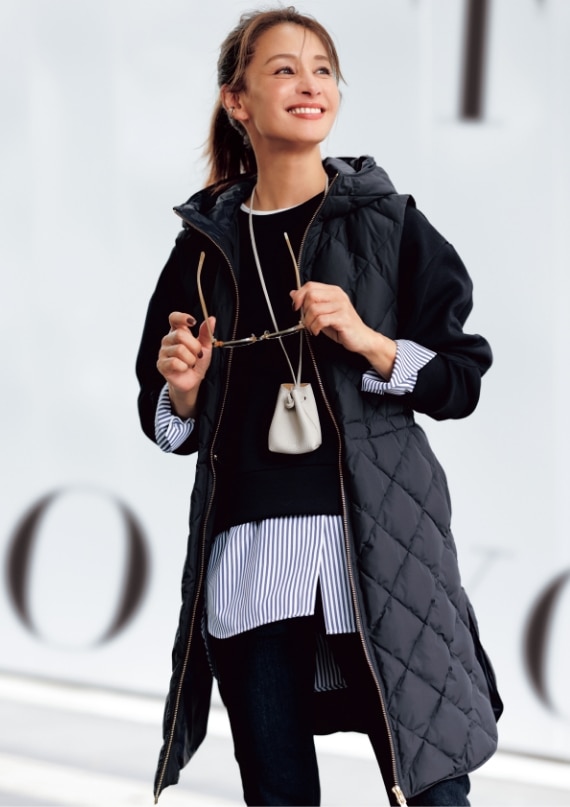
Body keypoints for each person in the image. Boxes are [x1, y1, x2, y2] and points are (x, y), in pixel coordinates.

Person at [136, 7, 503, 806]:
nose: (310, 85)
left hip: (378, 549)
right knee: (278, 795)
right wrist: (183, 390)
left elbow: (462, 377)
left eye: (323, 70)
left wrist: (370, 341)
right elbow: (161, 409)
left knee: (436, 789)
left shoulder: (390, 224)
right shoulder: (202, 248)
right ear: (237, 101)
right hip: (249, 560)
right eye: (284, 70)